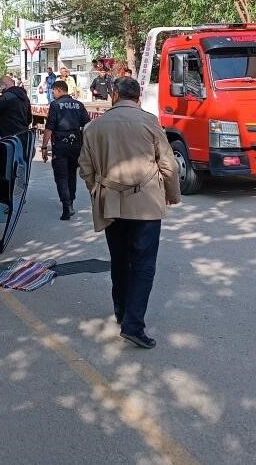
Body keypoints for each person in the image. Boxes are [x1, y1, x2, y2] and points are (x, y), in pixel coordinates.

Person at [78, 77, 181, 349]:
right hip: (146, 204)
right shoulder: (149, 122)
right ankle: (133, 325)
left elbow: (86, 170)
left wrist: (98, 192)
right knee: (144, 265)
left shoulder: (94, 126)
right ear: (138, 97)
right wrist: (172, 195)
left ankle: (122, 312)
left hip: (111, 204)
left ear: (113, 94)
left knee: (120, 260)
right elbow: (169, 165)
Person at [41, 80, 91, 220]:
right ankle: (71, 202)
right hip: (76, 145)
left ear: (58, 90)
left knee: (61, 176)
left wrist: (44, 146)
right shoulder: (78, 105)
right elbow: (87, 125)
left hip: (60, 145)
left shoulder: (55, 105)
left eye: (53, 91)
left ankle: (66, 206)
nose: (53, 94)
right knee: (71, 174)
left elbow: (49, 127)